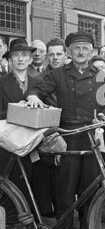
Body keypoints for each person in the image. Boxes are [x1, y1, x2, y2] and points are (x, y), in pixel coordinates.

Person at [26, 31, 105, 229]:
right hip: (66, 137)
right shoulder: (57, 74)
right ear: (69, 51)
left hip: (91, 138)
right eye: (76, 48)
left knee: (91, 193)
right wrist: (32, 96)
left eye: (85, 48)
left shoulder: (100, 75)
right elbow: (36, 88)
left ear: (92, 51)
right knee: (65, 195)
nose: (80, 52)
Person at [0, 39, 42, 206]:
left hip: (34, 143)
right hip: (8, 143)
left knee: (33, 184)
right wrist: (16, 111)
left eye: (24, 55)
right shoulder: (2, 82)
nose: (20, 59)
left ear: (31, 59)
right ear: (9, 60)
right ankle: (11, 227)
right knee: (10, 186)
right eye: (16, 55)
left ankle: (31, 225)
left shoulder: (39, 82)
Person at [31, 37, 68, 219]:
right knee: (47, 175)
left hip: (70, 130)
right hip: (49, 134)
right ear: (47, 56)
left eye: (58, 54)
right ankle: (48, 216)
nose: (55, 58)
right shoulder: (40, 79)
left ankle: (65, 215)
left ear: (65, 55)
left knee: (66, 179)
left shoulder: (71, 75)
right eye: (51, 55)